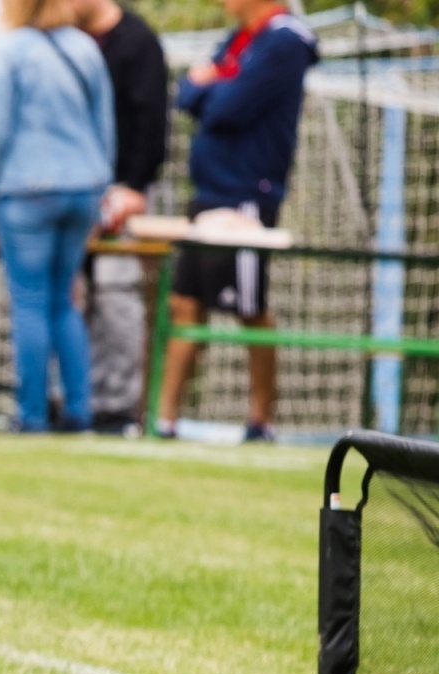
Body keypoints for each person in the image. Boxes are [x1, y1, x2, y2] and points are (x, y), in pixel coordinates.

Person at [156, 0, 318, 442]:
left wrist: (207, 88)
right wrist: (204, 88)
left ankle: (261, 421)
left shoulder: (286, 41)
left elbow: (227, 109)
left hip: (246, 197)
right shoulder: (237, 40)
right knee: (186, 304)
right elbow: (187, 96)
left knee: (250, 308)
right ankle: (164, 419)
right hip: (208, 194)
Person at [0, 0, 115, 433]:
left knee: (29, 302)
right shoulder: (86, 48)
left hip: (27, 190)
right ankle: (80, 412)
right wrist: (101, 196)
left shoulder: (11, 51)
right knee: (64, 300)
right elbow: (105, 130)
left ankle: (31, 416)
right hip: (83, 189)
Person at [73, 0, 167, 435]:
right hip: (71, 190)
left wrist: (132, 185)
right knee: (69, 297)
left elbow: (152, 122)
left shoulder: (138, 42)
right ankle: (74, 399)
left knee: (115, 295)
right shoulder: (63, 40)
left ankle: (117, 406)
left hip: (121, 192)